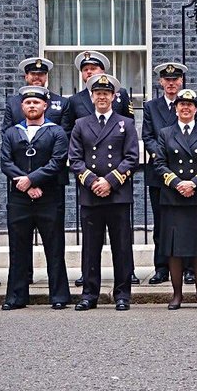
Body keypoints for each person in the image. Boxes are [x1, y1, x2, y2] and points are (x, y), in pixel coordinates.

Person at [61, 51, 137, 288]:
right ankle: (89, 293)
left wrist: (111, 181)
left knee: (122, 247)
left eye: (106, 93)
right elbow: (74, 158)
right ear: (91, 97)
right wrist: (93, 181)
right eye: (98, 93)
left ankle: (122, 294)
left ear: (114, 97)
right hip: (90, 192)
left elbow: (132, 157)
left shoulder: (126, 123)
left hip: (118, 193)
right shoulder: (80, 124)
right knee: (91, 247)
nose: (102, 97)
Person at [0, 85, 71, 310]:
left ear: (45, 106)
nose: (32, 106)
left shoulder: (56, 131)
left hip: (49, 196)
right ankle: (16, 297)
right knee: (18, 249)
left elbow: (58, 161)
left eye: (36, 103)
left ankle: (59, 297)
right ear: (22, 107)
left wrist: (32, 180)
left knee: (55, 247)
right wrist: (25, 183)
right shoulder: (12, 133)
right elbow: (5, 162)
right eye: (28, 103)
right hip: (19, 198)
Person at [153, 88, 197, 311]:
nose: (185, 108)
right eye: (181, 104)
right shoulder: (165, 133)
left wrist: (195, 183)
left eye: (190, 105)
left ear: (196, 109)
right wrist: (177, 183)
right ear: (176, 108)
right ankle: (177, 295)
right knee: (175, 250)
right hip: (174, 198)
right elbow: (159, 163)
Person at [142, 62, 188, 286]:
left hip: (187, 174)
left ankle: (188, 267)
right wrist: (163, 156)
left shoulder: (190, 104)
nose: (171, 83)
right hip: (159, 173)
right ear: (161, 82)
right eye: (167, 80)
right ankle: (161, 268)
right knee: (161, 222)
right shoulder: (151, 107)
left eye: (175, 79)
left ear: (181, 81)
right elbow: (148, 136)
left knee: (188, 222)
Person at [60, 50, 135, 132]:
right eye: (85, 70)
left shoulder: (120, 93)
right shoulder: (74, 100)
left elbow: (129, 123)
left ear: (103, 71)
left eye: (93, 69)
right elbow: (68, 130)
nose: (89, 72)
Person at [1, 57, 68, 132]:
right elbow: (7, 132)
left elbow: (65, 133)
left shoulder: (62, 102)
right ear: (26, 77)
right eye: (33, 74)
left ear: (46, 77)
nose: (36, 77)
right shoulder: (13, 103)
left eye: (40, 74)